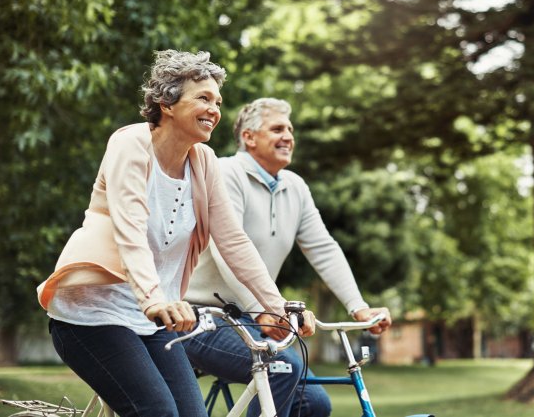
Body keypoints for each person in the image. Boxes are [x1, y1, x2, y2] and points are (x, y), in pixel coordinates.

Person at [35, 52, 314, 417]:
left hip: (155, 320)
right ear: (166, 102)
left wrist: (276, 308)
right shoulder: (131, 144)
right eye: (203, 98)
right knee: (157, 410)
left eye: (217, 101)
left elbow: (233, 242)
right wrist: (154, 299)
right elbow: (129, 229)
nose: (214, 109)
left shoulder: (204, 161)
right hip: (92, 312)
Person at [184, 97, 392, 417]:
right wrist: (263, 310)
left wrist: (359, 308)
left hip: (253, 317)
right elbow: (228, 250)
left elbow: (323, 248)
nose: (288, 136)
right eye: (278, 128)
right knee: (280, 367)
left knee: (315, 403)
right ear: (249, 137)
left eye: (291, 129)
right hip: (199, 316)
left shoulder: (295, 186)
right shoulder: (225, 173)